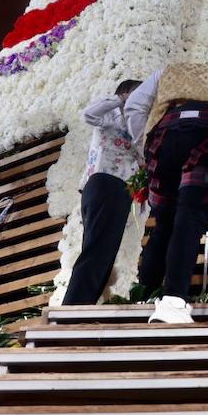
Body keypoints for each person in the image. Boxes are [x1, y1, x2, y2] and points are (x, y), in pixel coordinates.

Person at [126, 63, 208, 324]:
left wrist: (147, 142)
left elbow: (135, 104)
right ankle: (173, 301)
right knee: (188, 219)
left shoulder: (168, 70)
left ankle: (144, 296)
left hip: (166, 137)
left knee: (163, 223)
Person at [62, 79, 142, 305]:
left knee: (104, 251)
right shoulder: (111, 115)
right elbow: (89, 114)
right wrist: (120, 100)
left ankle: (84, 304)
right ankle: (73, 308)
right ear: (125, 94)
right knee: (97, 250)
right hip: (105, 182)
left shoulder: (138, 124)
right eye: (139, 95)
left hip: (120, 188)